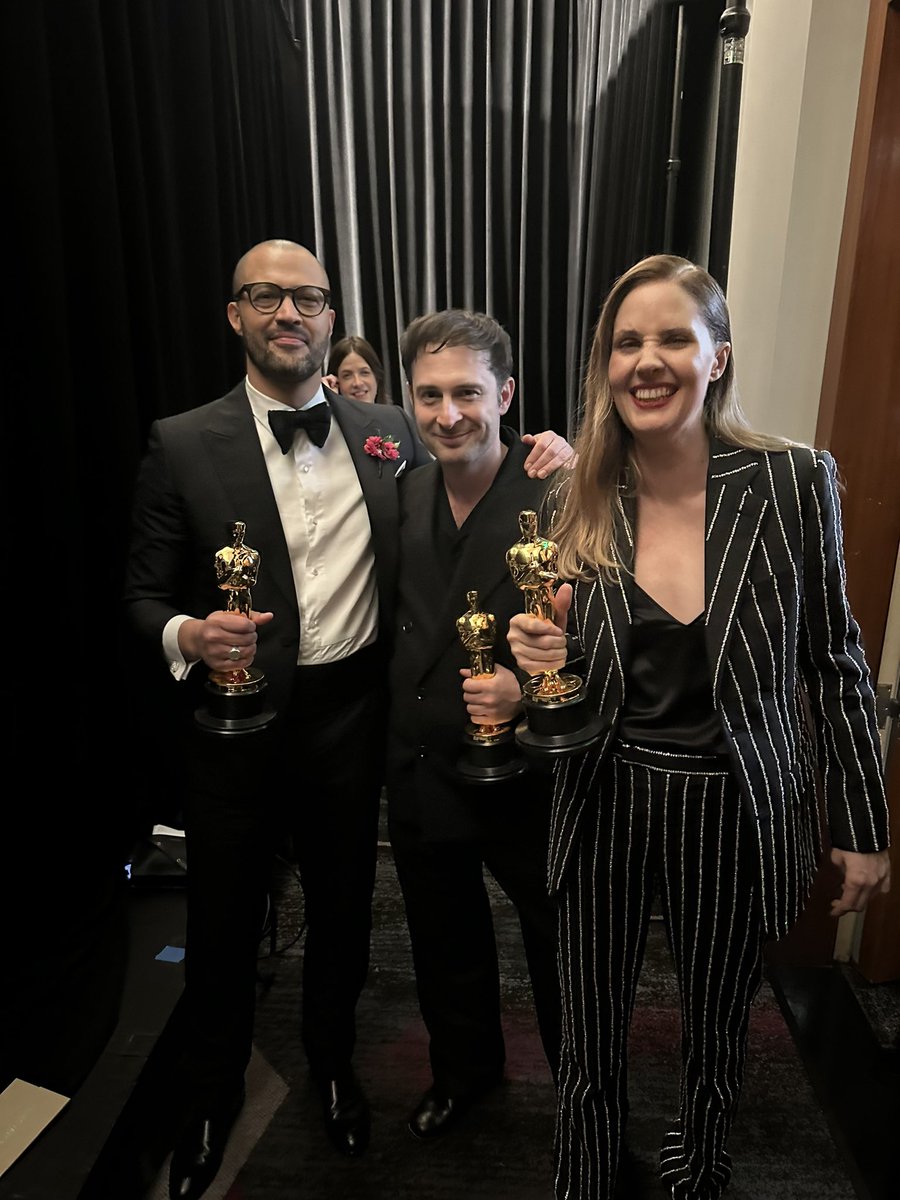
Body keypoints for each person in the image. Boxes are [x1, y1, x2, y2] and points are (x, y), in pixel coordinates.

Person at [123, 239, 572, 1200]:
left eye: (310, 299)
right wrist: (189, 636)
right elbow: (137, 596)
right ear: (235, 315)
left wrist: (559, 453)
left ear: (332, 318)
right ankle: (210, 1102)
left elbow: (484, 465)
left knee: (342, 919)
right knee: (223, 922)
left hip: (353, 723)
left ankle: (332, 1072)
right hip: (235, 727)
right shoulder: (181, 439)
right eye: (267, 297)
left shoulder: (389, 432)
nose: (290, 313)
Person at [506, 254, 891, 1200]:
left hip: (732, 808)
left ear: (717, 356)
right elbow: (569, 671)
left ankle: (698, 1171)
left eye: (674, 337)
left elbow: (834, 663)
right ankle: (586, 1174)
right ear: (605, 365)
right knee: (589, 1026)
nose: (648, 359)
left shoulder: (794, 481)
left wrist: (863, 831)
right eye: (626, 341)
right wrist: (541, 665)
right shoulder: (574, 496)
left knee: (715, 1027)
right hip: (606, 799)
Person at [386, 309, 565, 1144]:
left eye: (466, 392)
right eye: (429, 395)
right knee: (443, 941)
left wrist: (528, 694)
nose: (448, 414)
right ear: (408, 401)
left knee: (560, 946)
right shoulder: (401, 490)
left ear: (507, 394)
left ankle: (584, 1095)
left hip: (531, 776)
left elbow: (615, 639)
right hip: (425, 765)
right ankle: (464, 1073)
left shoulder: (562, 491)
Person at [323, 334, 388, 403]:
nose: (358, 383)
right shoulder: (325, 413)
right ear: (335, 383)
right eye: (347, 376)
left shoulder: (395, 413)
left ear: (377, 377)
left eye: (364, 373)